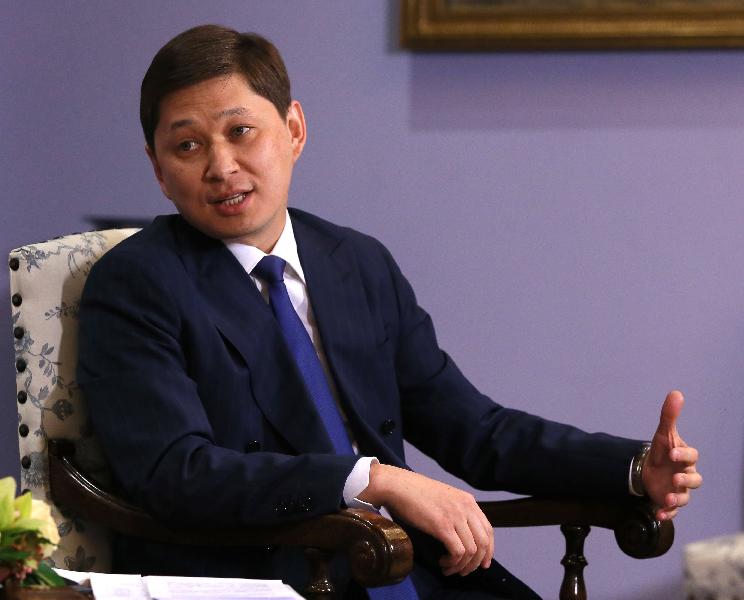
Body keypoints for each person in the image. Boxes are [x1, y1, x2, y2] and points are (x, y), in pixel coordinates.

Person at [76, 24, 701, 599]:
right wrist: (372, 479)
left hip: (400, 565)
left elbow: (473, 430)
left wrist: (629, 468)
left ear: (293, 129)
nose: (220, 166)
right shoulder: (137, 283)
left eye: (241, 132)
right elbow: (175, 473)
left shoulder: (355, 263)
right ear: (160, 171)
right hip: (262, 575)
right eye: (187, 145)